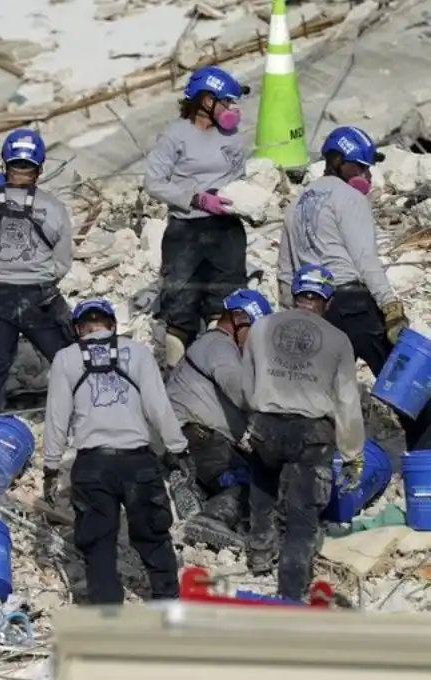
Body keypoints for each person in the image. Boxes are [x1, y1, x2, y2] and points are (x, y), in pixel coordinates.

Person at [277, 126, 430, 448]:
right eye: (359, 166)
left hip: (314, 312)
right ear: (337, 161)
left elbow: (285, 271)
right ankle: (425, 462)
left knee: (319, 401)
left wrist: (291, 319)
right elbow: (365, 259)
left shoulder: (296, 204)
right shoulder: (349, 198)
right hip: (353, 304)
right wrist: (389, 306)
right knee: (409, 390)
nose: (365, 174)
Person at [42, 299, 188, 605]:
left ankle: (108, 614)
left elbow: (57, 418)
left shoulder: (66, 359)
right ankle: (166, 603)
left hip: (93, 465)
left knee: (98, 543)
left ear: (79, 328)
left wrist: (51, 465)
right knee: (153, 534)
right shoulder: (137, 353)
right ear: (112, 325)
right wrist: (178, 448)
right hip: (138, 462)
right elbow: (158, 407)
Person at [242, 264, 365, 601]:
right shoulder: (338, 339)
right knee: (302, 515)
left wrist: (254, 414)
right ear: (326, 300)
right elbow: (347, 401)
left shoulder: (262, 326)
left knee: (263, 485)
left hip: (266, 426)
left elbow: (246, 382)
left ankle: (259, 553)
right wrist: (353, 453)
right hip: (311, 434)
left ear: (295, 294)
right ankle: (291, 591)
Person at [0, 129, 75, 421]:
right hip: (41, 297)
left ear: (5, 164)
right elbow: (62, 263)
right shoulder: (54, 208)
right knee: (71, 361)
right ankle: (87, 424)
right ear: (40, 167)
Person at [144, 65, 250, 369]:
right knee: (181, 304)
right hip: (186, 231)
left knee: (225, 300)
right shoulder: (175, 135)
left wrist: (247, 199)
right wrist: (194, 197)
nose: (232, 109)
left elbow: (239, 177)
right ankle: (178, 375)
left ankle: (220, 370)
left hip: (226, 228)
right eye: (226, 102)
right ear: (206, 101)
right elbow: (154, 182)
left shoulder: (232, 137)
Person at [167, 288, 273, 550]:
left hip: (197, 441)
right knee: (253, 484)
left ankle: (193, 488)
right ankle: (210, 519)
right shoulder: (218, 345)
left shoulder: (216, 346)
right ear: (238, 319)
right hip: (198, 438)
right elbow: (241, 392)